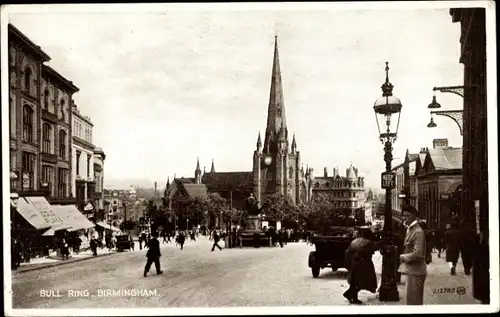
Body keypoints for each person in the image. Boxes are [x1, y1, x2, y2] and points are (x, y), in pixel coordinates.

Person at [398, 206, 427, 305]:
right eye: (403, 216)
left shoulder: (417, 232)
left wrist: (403, 257)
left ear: (414, 216)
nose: (404, 218)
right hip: (412, 270)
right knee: (411, 301)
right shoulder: (410, 229)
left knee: (413, 303)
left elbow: (418, 253)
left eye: (407, 216)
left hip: (416, 271)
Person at [343, 227, 379, 304]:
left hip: (354, 264)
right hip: (363, 265)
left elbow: (347, 252)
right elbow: (374, 247)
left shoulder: (354, 241)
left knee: (355, 282)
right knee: (361, 282)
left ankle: (351, 295)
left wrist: (349, 264)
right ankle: (350, 295)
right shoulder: (367, 242)